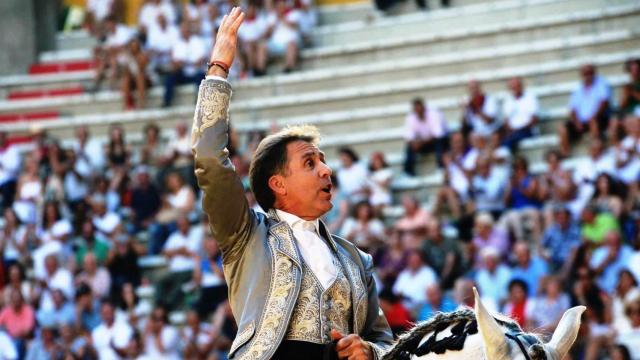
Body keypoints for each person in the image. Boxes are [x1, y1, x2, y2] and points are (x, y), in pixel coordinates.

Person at [192, 8, 393, 359]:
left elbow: (387, 344)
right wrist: (218, 70)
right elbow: (209, 158)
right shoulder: (245, 235)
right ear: (278, 184)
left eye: (325, 161)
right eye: (310, 163)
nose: (326, 171)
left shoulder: (357, 259)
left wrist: (369, 352)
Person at [559, 64, 611, 156]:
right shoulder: (578, 88)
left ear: (594, 73)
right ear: (582, 75)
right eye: (585, 74)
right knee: (562, 128)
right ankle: (565, 154)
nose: (588, 76)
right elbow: (573, 109)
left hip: (598, 118)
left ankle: (596, 151)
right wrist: (576, 122)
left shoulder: (601, 83)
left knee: (593, 122)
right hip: (582, 121)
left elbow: (604, 103)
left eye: (590, 73)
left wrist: (593, 116)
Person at [163, 22, 207, 107]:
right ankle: (167, 102)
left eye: (186, 30)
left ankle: (199, 101)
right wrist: (189, 63)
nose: (184, 32)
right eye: (183, 30)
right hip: (183, 73)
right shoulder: (177, 44)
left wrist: (184, 63)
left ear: (189, 31)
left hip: (197, 73)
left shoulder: (197, 41)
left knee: (201, 76)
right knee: (170, 78)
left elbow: (201, 59)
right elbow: (176, 63)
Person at [403, 97, 448, 174]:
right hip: (424, 143)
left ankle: (441, 168)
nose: (418, 111)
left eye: (420, 108)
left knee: (439, 142)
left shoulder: (434, 114)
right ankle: (408, 172)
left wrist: (420, 143)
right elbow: (409, 136)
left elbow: (437, 135)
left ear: (424, 108)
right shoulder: (411, 118)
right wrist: (414, 143)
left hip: (441, 141)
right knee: (409, 147)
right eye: (416, 109)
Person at [501, 77, 538, 151]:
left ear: (521, 86)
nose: (515, 89)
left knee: (508, 140)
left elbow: (534, 119)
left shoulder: (530, 97)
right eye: (513, 87)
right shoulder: (508, 100)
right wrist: (511, 130)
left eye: (517, 86)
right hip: (513, 132)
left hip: (527, 130)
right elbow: (506, 120)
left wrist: (519, 129)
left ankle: (504, 155)